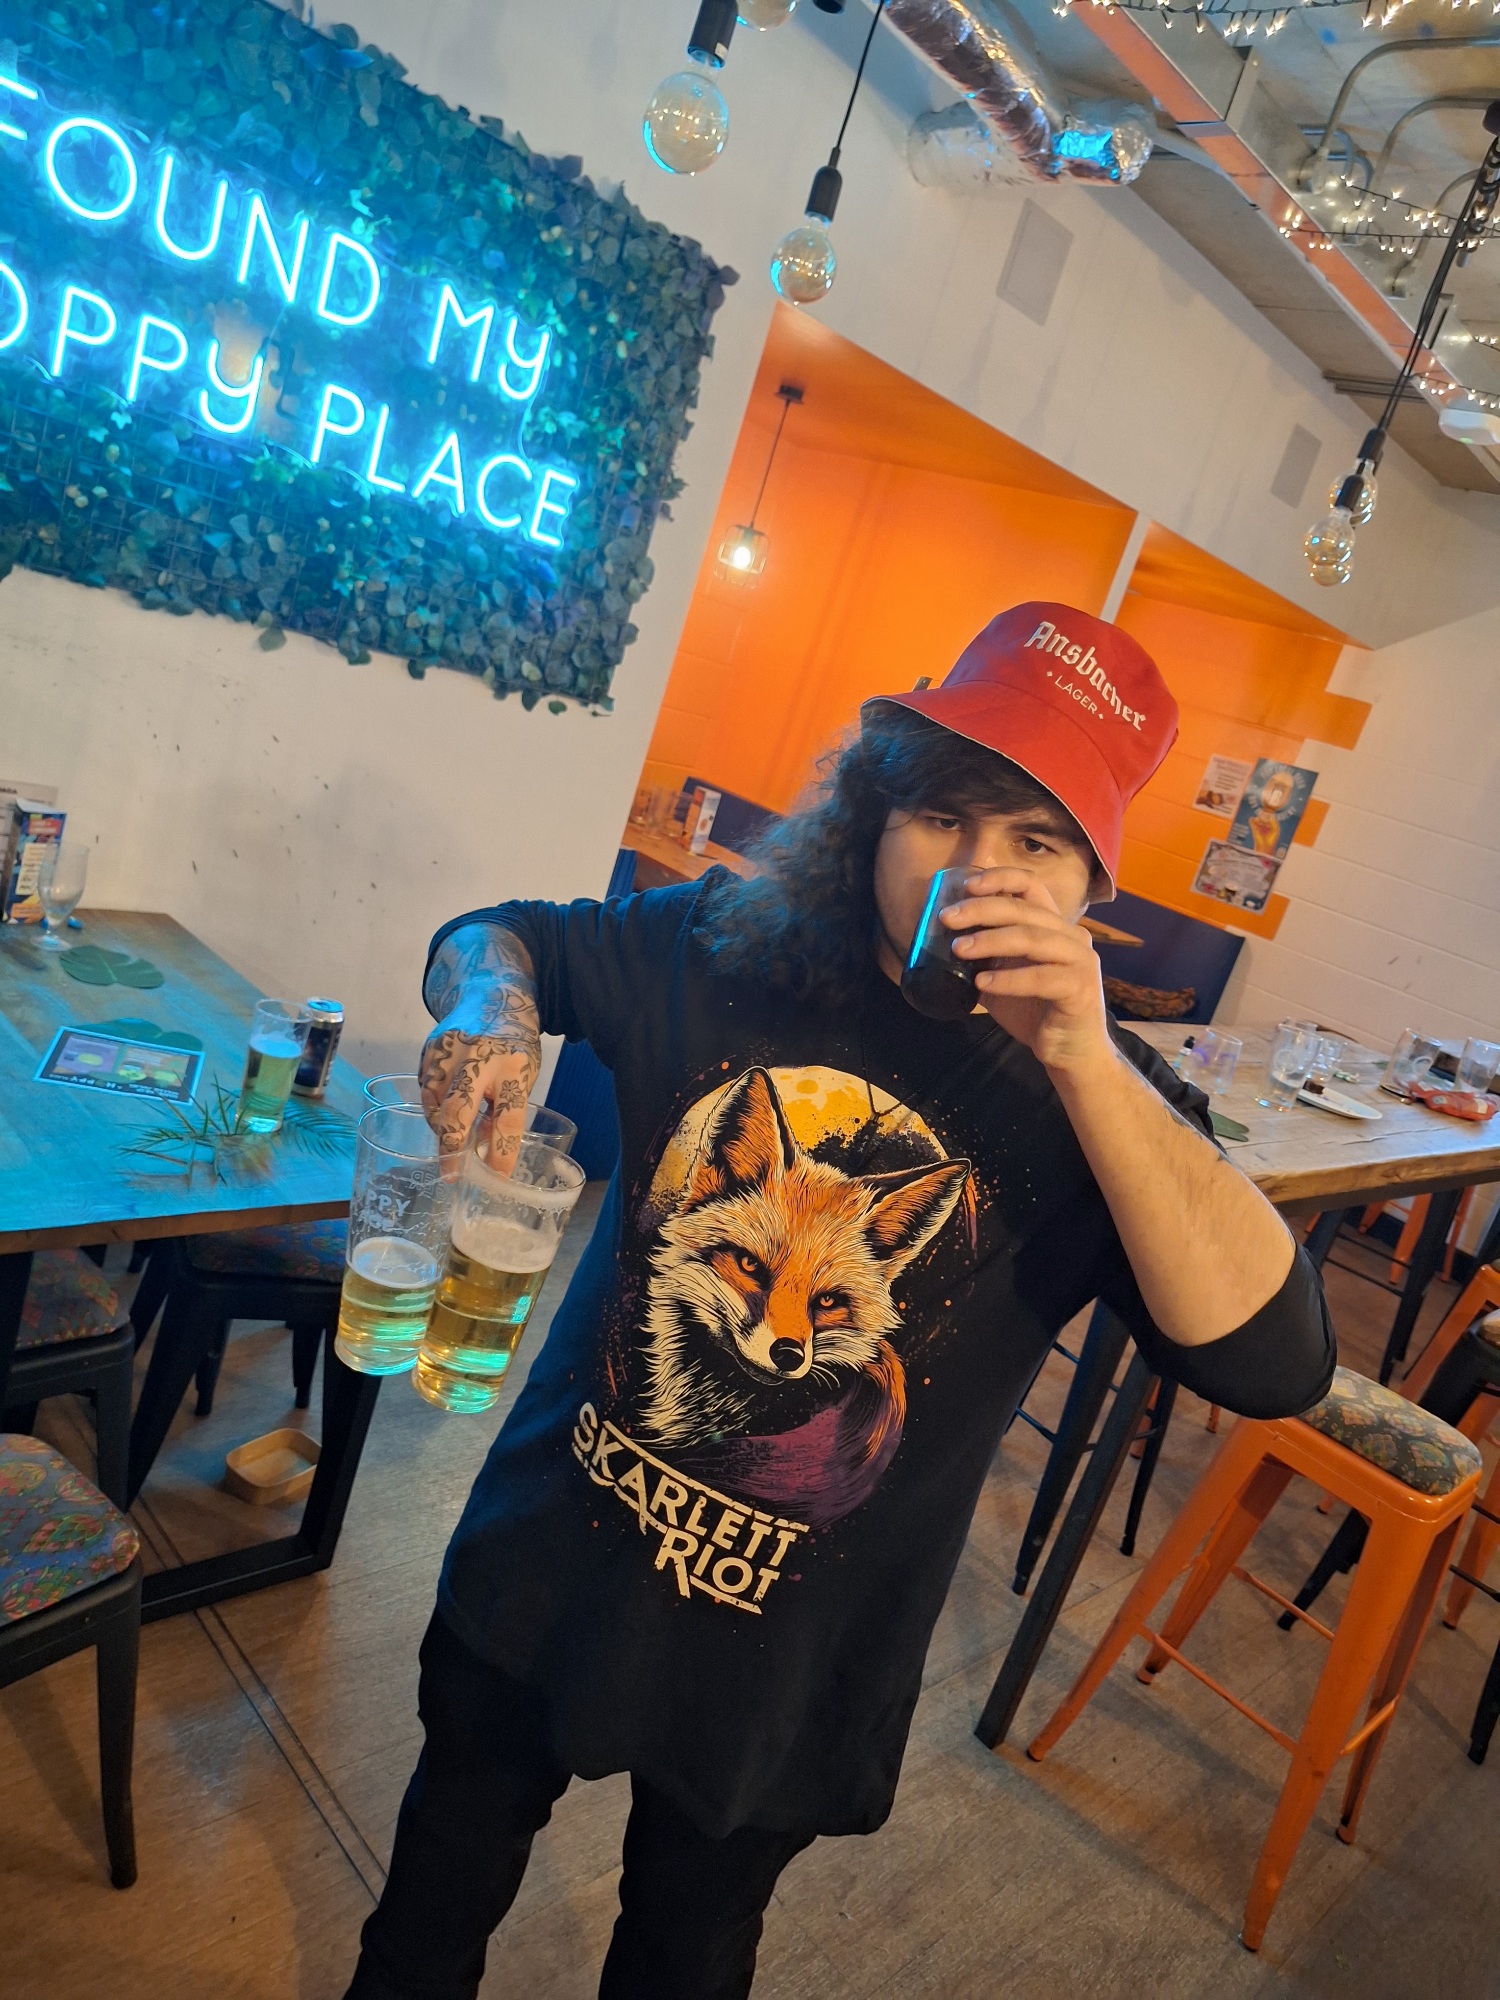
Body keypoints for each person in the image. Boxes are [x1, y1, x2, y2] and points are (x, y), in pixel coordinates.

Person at [344, 602, 1335, 2000]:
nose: (978, 872)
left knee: (686, 1958)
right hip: (549, 1558)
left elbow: (1278, 1364)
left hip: (788, 1670)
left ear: (1090, 887)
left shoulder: (1099, 1109)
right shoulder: (721, 942)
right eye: (943, 815)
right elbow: (501, 936)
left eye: (1037, 843)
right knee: (427, 1915)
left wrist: (1088, 1064)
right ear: (876, 815)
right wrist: (489, 1011)